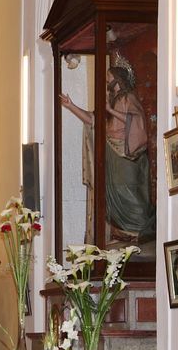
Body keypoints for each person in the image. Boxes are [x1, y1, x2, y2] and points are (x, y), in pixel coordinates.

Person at [60, 58, 156, 243]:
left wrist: (111, 110)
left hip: (127, 155)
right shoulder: (111, 100)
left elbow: (136, 120)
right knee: (114, 193)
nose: (106, 82)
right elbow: (92, 120)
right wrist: (71, 106)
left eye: (108, 79)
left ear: (118, 80)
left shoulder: (128, 98)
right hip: (112, 153)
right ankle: (125, 234)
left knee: (129, 192)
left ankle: (140, 231)